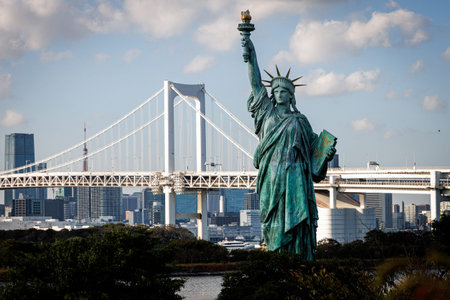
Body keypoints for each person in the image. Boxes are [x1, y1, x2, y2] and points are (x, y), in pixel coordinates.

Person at [241, 35, 336, 260]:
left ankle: (299, 263)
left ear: (291, 96)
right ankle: (277, 263)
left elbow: (315, 152)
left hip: (296, 178)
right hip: (272, 176)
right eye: (275, 91)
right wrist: (250, 52)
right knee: (273, 221)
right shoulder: (266, 113)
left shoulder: (300, 121)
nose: (278, 94)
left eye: (284, 91)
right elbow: (255, 84)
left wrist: (327, 154)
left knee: (298, 224)